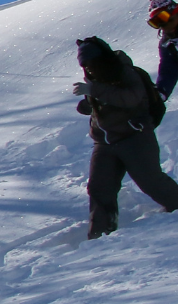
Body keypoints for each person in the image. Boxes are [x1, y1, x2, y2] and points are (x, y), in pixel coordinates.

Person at [73, 35, 178, 239]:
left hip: (134, 136)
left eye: (92, 62)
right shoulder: (94, 78)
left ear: (102, 58)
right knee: (99, 188)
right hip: (104, 142)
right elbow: (102, 100)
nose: (89, 68)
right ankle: (100, 236)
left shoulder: (125, 72)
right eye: (85, 65)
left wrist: (94, 90)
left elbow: (130, 98)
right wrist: (87, 103)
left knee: (151, 181)